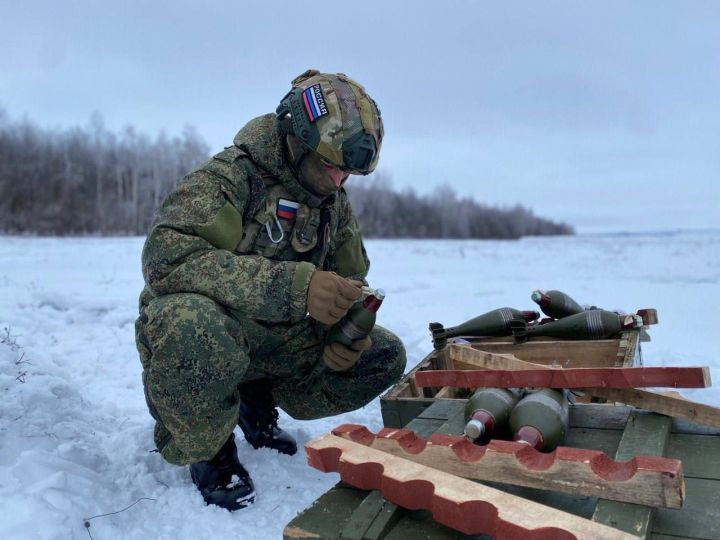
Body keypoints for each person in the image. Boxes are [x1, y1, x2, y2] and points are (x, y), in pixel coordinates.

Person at [134, 69, 407, 511]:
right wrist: (295, 287)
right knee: (190, 322)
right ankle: (209, 447)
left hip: (275, 341)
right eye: (333, 166)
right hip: (212, 336)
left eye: (349, 173)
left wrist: (347, 328)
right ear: (297, 140)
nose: (341, 182)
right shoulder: (229, 178)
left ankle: (254, 399)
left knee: (384, 354)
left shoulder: (330, 202)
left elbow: (351, 279)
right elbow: (167, 260)